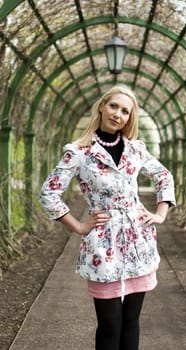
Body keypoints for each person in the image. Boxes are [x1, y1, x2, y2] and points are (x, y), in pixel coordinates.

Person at [39, 85, 176, 350]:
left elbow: (163, 176)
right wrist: (78, 225)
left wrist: (160, 214)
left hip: (139, 240)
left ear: (130, 117)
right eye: (114, 106)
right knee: (110, 323)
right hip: (103, 245)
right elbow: (49, 193)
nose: (118, 114)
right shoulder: (79, 152)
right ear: (101, 106)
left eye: (126, 111)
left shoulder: (135, 149)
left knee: (132, 320)